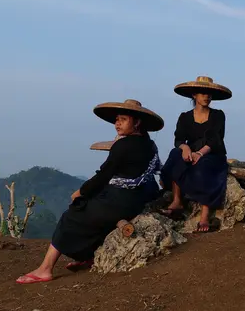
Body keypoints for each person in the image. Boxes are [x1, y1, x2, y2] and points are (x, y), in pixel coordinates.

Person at [16, 99, 165, 284]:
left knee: (71, 216)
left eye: (123, 119)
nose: (117, 123)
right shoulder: (149, 145)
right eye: (116, 119)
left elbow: (104, 175)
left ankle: (45, 269)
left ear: (137, 122)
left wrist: (81, 192)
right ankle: (88, 256)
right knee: (94, 216)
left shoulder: (123, 146)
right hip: (136, 200)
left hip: (118, 201)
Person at [160, 76, 232, 233]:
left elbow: (216, 140)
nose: (206, 96)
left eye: (209, 93)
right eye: (202, 93)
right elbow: (179, 138)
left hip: (212, 153)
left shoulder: (218, 115)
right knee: (175, 155)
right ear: (194, 95)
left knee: (203, 167)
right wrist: (185, 148)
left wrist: (200, 153)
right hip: (191, 152)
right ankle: (177, 200)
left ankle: (205, 214)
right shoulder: (184, 117)